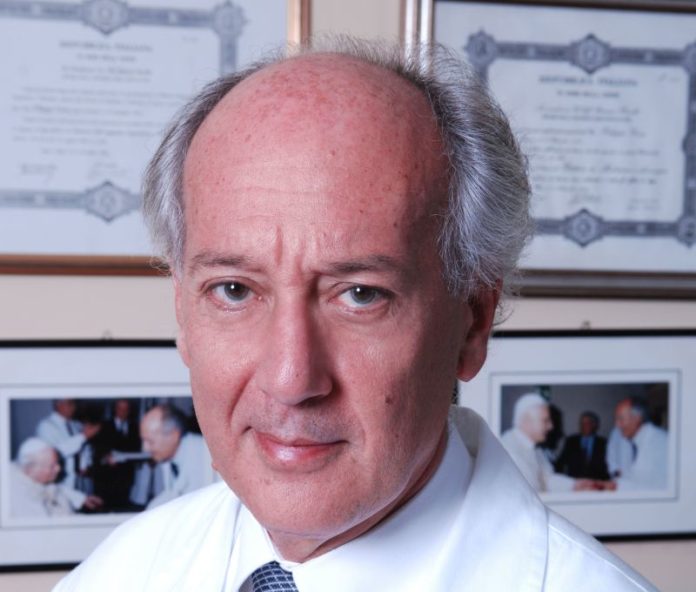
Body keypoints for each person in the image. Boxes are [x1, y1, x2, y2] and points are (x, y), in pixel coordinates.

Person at [54, 39, 656, 591]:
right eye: (234, 290)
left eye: (361, 295)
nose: (291, 380)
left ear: (472, 322)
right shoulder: (120, 572)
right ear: (183, 314)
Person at [500, 394, 594, 492]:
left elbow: (547, 479)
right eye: (545, 421)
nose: (551, 426)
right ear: (527, 421)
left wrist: (574, 485)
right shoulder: (508, 449)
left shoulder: (535, 447)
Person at [137, 404, 211, 509]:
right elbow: (172, 494)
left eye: (150, 441)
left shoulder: (201, 456)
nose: (146, 449)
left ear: (174, 435)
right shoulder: (171, 456)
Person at [10, 438, 102, 518]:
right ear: (31, 470)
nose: (58, 469)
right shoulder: (17, 498)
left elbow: (58, 490)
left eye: (57, 463)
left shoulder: (39, 480)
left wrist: (83, 499)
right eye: (52, 466)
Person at [598, 397, 668, 491]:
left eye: (621, 418)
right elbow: (633, 475)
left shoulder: (658, 442)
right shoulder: (642, 438)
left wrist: (603, 486)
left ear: (637, 418)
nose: (617, 424)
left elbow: (644, 486)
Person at [36, 399, 101, 496]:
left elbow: (85, 448)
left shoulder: (76, 424)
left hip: (81, 483)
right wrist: (83, 436)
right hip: (62, 485)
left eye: (74, 403)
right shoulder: (46, 426)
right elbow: (54, 453)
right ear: (58, 404)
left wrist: (86, 464)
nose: (74, 407)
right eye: (70, 403)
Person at [92, 399, 142, 509]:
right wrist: (105, 457)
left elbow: (137, 448)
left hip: (126, 474)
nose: (123, 412)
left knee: (122, 505)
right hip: (106, 476)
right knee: (105, 507)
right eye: (120, 408)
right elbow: (97, 449)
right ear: (115, 409)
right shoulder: (103, 426)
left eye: (126, 409)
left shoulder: (135, 427)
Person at [555, 411, 609, 480]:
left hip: (596, 481)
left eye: (587, 423)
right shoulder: (571, 441)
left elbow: (608, 466)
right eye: (582, 423)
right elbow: (561, 462)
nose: (583, 426)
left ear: (594, 425)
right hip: (575, 481)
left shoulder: (603, 443)